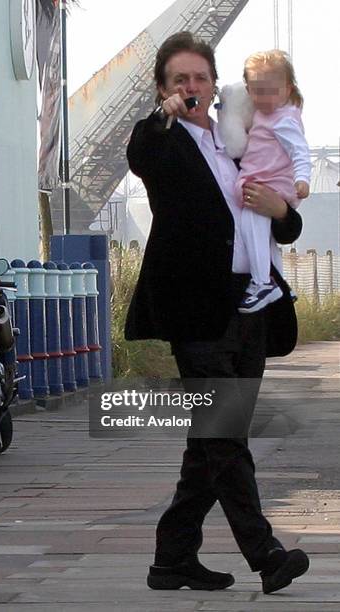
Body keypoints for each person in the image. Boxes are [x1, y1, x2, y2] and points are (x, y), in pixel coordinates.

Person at [124, 32, 309, 595]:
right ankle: (266, 553)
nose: (192, 87)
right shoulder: (163, 141)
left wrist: (281, 210)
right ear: (163, 89)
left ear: (215, 82)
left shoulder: (238, 138)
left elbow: (282, 218)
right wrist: (164, 116)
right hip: (195, 312)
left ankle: (172, 558)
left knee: (213, 440)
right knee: (225, 432)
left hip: (250, 307)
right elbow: (140, 154)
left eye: (200, 77)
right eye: (180, 79)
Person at [234, 50, 310, 313]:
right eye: (257, 91)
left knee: (251, 224)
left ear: (287, 90)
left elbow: (300, 150)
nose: (263, 98)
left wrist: (302, 179)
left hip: (272, 183)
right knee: (263, 237)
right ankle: (277, 281)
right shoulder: (263, 114)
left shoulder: (284, 119)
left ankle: (262, 281)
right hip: (264, 180)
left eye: (270, 91)